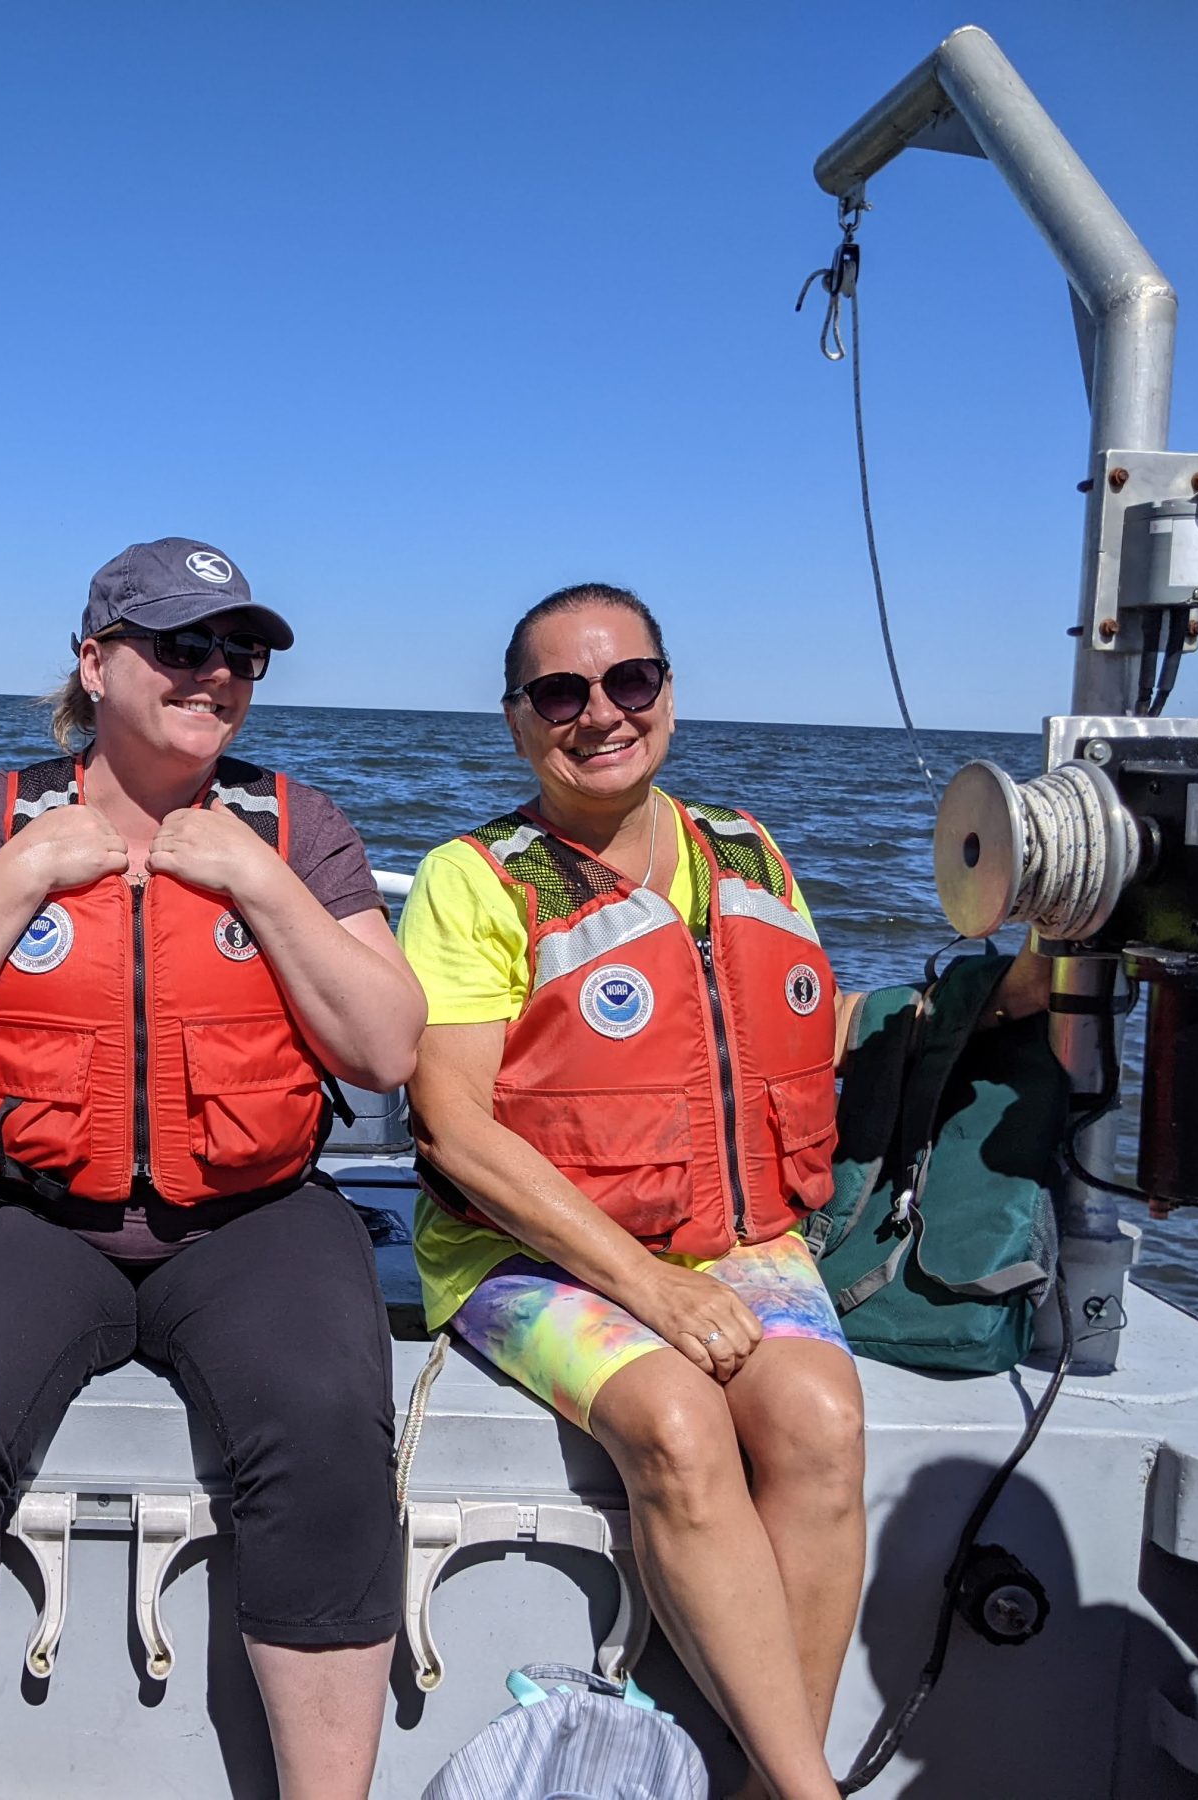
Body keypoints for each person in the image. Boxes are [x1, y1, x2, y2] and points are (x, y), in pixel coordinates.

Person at [399, 583, 1029, 1800]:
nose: (600, 714)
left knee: (819, 1419)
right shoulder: (475, 880)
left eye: (629, 681)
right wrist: (645, 1288)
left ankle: (759, 1787)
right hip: (524, 1255)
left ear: (668, 692)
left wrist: (992, 994)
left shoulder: (746, 849)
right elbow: (455, 1127)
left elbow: (801, 1027)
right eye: (560, 693)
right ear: (517, 720)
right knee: (679, 1427)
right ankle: (804, 1786)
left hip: (738, 1235)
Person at [0, 538, 427, 1800]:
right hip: (27, 1213)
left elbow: (384, 1047)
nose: (216, 674)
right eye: (181, 646)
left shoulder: (299, 827)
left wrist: (262, 885)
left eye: (241, 653)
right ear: (96, 662)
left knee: (329, 1432)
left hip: (255, 1219)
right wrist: (8, 890)